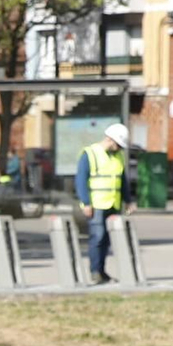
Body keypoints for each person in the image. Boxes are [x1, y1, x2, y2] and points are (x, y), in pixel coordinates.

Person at [75, 121, 130, 285]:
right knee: (97, 238)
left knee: (106, 240)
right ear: (110, 140)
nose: (119, 149)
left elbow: (122, 180)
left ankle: (102, 271)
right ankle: (95, 272)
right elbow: (81, 180)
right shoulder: (90, 154)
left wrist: (128, 200)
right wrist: (86, 203)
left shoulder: (118, 156)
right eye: (118, 145)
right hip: (96, 205)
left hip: (113, 204)